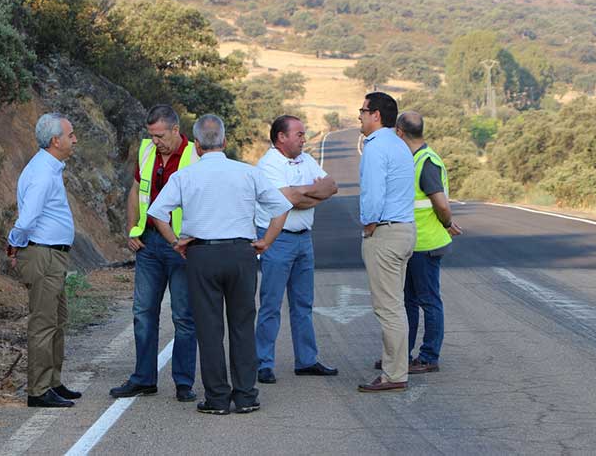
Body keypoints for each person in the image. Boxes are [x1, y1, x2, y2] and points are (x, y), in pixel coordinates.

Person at [148, 114, 291, 415]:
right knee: (241, 325)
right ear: (225, 142)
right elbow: (280, 208)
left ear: (197, 145)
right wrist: (266, 242)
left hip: (202, 255)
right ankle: (246, 395)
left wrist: (176, 242)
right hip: (242, 253)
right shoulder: (247, 172)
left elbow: (158, 212)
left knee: (209, 328)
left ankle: (216, 398)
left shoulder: (184, 176)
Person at [110, 105, 199, 402]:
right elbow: (136, 190)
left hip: (181, 246)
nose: (155, 141)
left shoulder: (194, 155)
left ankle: (184, 383)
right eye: (151, 135)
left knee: (184, 317)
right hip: (149, 244)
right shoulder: (146, 150)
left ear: (176, 130)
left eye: (160, 135)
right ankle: (143, 379)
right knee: (143, 313)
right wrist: (132, 229)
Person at [254, 115, 339, 385]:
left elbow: (331, 186)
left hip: (304, 238)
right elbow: (285, 200)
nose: (304, 138)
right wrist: (310, 192)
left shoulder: (306, 159)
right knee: (271, 303)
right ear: (281, 137)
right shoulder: (268, 164)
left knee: (303, 303)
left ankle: (306, 360)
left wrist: (300, 194)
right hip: (277, 239)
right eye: (299, 134)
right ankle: (263, 362)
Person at [6, 113, 82, 408]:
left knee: (57, 320)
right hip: (43, 254)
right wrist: (14, 243)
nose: (74, 139)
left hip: (53, 256)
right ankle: (38, 391)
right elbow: (26, 221)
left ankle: (52, 382)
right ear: (55, 141)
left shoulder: (50, 168)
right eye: (71, 134)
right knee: (44, 323)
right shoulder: (41, 173)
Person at [357, 92, 416, 393]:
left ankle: (394, 374)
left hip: (386, 231)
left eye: (363, 111)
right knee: (396, 305)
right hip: (405, 229)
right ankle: (397, 367)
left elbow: (374, 193)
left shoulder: (377, 146)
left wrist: (369, 224)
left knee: (388, 307)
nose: (360, 117)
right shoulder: (400, 145)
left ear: (376, 115)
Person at [395, 111, 462, 374]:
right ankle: (403, 354)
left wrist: (447, 224)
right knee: (409, 301)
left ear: (400, 132)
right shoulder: (414, 159)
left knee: (428, 301)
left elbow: (441, 204)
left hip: (426, 243)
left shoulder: (426, 162)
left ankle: (428, 356)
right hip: (413, 242)